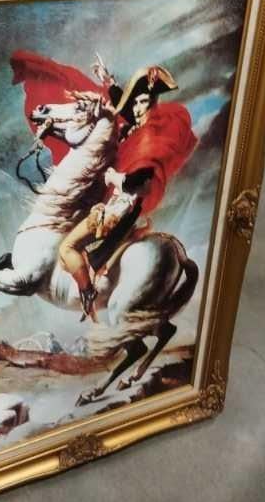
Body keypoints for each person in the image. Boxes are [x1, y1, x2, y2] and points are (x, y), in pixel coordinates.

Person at [57, 57, 197, 320]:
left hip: (121, 209)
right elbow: (126, 110)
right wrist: (108, 80)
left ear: (153, 105)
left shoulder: (150, 138)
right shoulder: (138, 128)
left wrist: (115, 178)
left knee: (66, 248)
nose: (137, 107)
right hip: (115, 202)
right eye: (136, 102)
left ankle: (88, 295)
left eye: (143, 102)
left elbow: (142, 180)